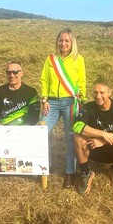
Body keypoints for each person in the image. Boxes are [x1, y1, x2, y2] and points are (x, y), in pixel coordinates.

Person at [73, 80, 113, 195]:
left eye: (102, 93)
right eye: (95, 93)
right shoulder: (89, 107)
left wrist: (103, 141)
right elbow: (77, 126)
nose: (98, 96)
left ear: (109, 93)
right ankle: (86, 172)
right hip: (92, 148)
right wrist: (103, 134)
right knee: (78, 137)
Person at [40, 28, 86, 188]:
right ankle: (45, 165)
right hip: (51, 102)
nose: (63, 43)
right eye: (61, 40)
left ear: (72, 42)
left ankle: (70, 172)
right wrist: (44, 98)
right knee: (41, 132)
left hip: (70, 102)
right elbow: (44, 79)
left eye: (67, 40)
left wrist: (81, 100)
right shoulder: (50, 59)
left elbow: (82, 82)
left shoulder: (78, 59)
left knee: (70, 137)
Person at [0, 61, 39, 126]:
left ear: (21, 73)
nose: (11, 75)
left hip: (25, 128)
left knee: (42, 125)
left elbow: (34, 115)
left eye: (15, 72)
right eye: (8, 73)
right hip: (3, 128)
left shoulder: (31, 91)